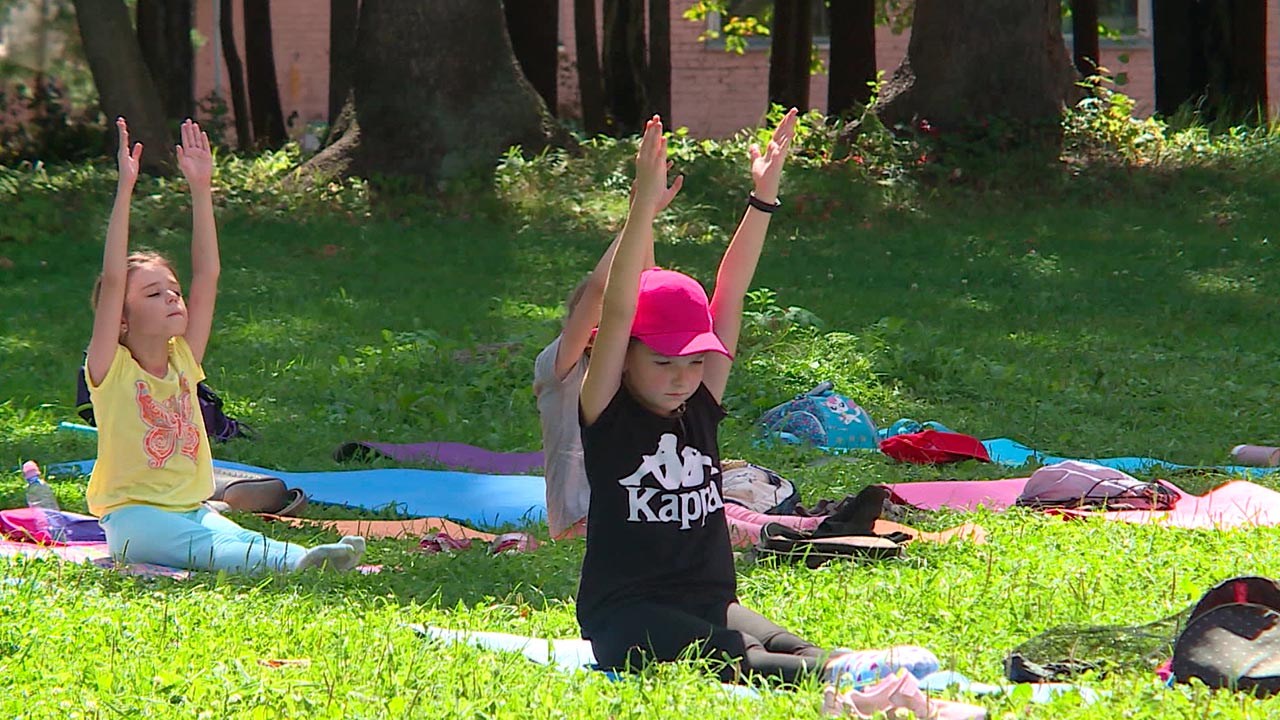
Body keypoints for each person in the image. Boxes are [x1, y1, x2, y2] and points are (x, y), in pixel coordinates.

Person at [574, 113, 938, 687]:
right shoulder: (608, 414)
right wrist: (642, 206)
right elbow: (618, 312)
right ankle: (844, 678)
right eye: (664, 362)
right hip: (628, 613)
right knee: (737, 656)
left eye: (695, 361)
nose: (682, 377)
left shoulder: (699, 402)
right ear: (624, 357)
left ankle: (853, 669)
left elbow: (731, 291)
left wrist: (763, 198)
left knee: (789, 643)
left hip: (707, 595)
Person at [84, 117, 365, 574]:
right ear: (120, 319)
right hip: (133, 520)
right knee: (217, 549)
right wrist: (125, 190)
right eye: (153, 294)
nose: (172, 298)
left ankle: (306, 559)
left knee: (239, 537)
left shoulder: (182, 360)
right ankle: (300, 564)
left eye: (173, 290)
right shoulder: (110, 368)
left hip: (191, 509)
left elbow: (207, 275)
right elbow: (114, 279)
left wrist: (201, 188)